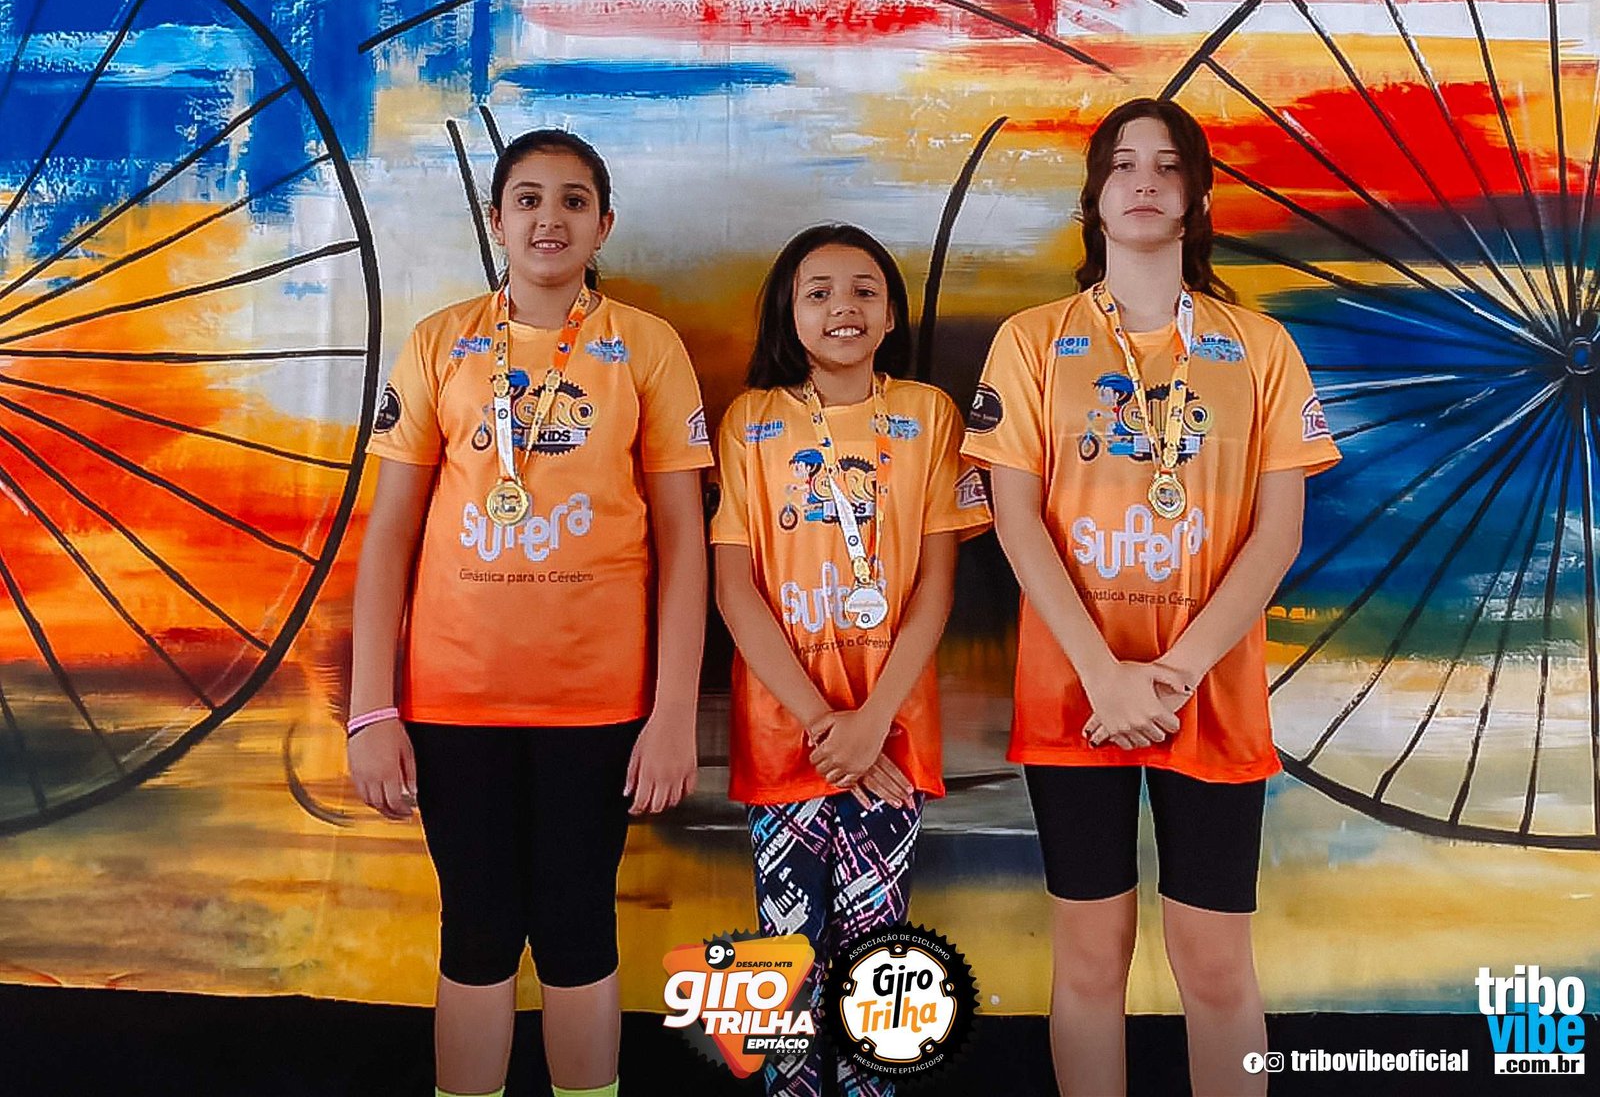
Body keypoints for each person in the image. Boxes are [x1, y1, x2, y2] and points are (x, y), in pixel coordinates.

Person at [962, 98, 1340, 1097]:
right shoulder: (1031, 340)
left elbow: (1278, 534)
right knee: (1091, 959)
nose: (1143, 182)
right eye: (1122, 165)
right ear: (1093, 197)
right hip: (1075, 694)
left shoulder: (1258, 347)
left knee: (1215, 967)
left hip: (1207, 691)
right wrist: (1104, 674)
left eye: (1167, 167)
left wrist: (1171, 673)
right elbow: (1014, 520)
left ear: (1197, 197)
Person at [347, 129, 712, 1097]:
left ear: (603, 224)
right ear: (496, 219)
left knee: (577, 928)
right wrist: (370, 709)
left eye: (574, 200)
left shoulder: (646, 346)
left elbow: (685, 544)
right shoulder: (439, 342)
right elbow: (388, 538)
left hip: (600, 706)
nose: (551, 218)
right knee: (475, 932)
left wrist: (674, 712)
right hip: (452, 701)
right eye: (529, 199)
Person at [711, 224, 991, 1096]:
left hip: (891, 739)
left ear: (892, 313)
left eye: (866, 290)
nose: (845, 308)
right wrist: (823, 723)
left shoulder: (930, 416)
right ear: (788, 312)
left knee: (880, 969)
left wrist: (870, 726)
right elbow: (735, 592)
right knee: (786, 964)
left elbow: (936, 590)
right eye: (820, 292)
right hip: (783, 738)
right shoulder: (751, 422)